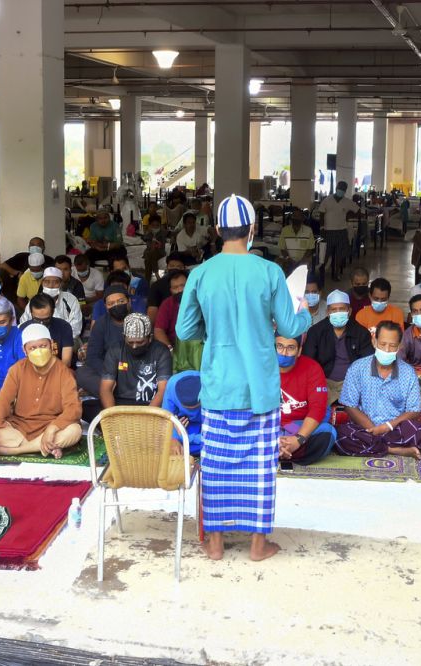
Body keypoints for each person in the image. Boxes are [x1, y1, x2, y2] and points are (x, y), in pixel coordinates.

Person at [176, 193, 311, 562]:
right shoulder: (268, 272)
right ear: (252, 229)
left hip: (219, 384)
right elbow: (288, 325)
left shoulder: (200, 273)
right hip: (260, 388)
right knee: (260, 466)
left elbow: (185, 329)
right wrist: (306, 315)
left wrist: (217, 329)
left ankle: (216, 544)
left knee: (217, 463)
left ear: (217, 229)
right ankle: (256, 546)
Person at [0, 323, 82, 461]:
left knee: (74, 431)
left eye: (43, 346)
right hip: (19, 426)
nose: (39, 351)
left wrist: (52, 429)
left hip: (51, 426)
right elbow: (2, 402)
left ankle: (17, 450)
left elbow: (73, 409)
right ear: (24, 351)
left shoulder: (64, 372)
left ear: (51, 345)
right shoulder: (17, 369)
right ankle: (42, 447)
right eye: (33, 348)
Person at [336, 321, 421, 459]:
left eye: (392, 346)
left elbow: (414, 410)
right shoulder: (357, 368)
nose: (387, 350)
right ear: (374, 342)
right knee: (341, 434)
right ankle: (394, 450)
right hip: (365, 428)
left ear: (399, 346)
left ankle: (377, 447)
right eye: (382, 344)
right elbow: (349, 406)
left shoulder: (408, 372)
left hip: (395, 429)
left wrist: (388, 426)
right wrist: (372, 429)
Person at [302, 290, 373, 405]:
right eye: (333, 310)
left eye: (342, 309)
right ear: (327, 312)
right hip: (323, 383)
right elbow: (308, 363)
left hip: (351, 383)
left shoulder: (361, 333)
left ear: (349, 311)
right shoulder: (316, 332)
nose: (338, 313)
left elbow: (368, 364)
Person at [274, 334, 336, 465]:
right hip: (270, 427)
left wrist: (298, 439)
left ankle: (276, 452)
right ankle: (286, 451)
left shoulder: (312, 368)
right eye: (279, 346)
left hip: (301, 426)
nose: (284, 353)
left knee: (327, 432)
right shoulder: (260, 368)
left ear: (299, 351)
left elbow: (318, 409)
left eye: (290, 348)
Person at [100, 313, 172, 408]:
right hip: (121, 404)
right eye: (130, 342)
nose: (134, 346)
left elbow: (163, 390)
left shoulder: (161, 351)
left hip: (150, 405)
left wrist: (147, 415)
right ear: (123, 337)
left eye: (139, 342)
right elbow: (105, 389)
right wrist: (112, 415)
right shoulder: (115, 350)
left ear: (150, 338)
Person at [77, 285, 130, 395]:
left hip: (132, 368)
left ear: (129, 301)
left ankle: (110, 392)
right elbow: (92, 357)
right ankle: (115, 391)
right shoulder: (101, 324)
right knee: (82, 373)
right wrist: (110, 374)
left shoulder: (138, 320)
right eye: (111, 304)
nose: (116, 305)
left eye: (121, 301)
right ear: (106, 307)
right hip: (107, 369)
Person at [314, 181, 358, 280]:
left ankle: (336, 273)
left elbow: (358, 211)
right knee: (325, 253)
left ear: (345, 190)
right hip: (328, 231)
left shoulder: (347, 202)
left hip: (341, 231)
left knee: (340, 254)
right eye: (340, 188)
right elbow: (321, 214)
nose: (341, 190)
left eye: (343, 189)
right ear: (336, 188)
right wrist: (321, 228)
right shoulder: (327, 200)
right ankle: (321, 272)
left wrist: (349, 215)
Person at [20, 294, 74, 367]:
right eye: (37, 320)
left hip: (58, 370)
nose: (41, 323)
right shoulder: (24, 329)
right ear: (31, 313)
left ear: (53, 312)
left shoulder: (64, 326)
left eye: (46, 319)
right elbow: (22, 360)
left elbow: (66, 363)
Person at [161, 370, 204, 456]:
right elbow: (165, 422)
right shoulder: (171, 387)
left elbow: (213, 433)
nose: (193, 413)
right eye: (188, 409)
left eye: (195, 408)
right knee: (169, 447)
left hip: (204, 427)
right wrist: (174, 437)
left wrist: (185, 437)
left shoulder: (207, 386)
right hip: (181, 427)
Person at [37, 267, 82, 338]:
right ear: (42, 283)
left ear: (61, 283)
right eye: (47, 282)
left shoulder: (71, 299)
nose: (51, 286)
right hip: (40, 342)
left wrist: (62, 341)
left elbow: (76, 328)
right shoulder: (35, 301)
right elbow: (25, 323)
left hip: (67, 340)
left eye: (55, 282)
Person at [153, 269, 188, 349]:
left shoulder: (200, 300)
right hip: (175, 347)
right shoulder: (167, 304)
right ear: (171, 290)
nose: (180, 290)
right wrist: (170, 350)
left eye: (183, 286)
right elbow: (159, 330)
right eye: (175, 287)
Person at [146, 254, 187, 321]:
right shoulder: (157, 286)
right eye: (172, 266)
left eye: (179, 266)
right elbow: (152, 312)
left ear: (184, 268)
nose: (175, 268)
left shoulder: (191, 284)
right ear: (167, 267)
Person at [141, 213, 169, 281]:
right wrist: (151, 236)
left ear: (160, 226)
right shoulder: (148, 234)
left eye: (157, 225)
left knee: (150, 255)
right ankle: (154, 276)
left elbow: (161, 246)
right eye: (153, 225)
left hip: (160, 252)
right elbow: (147, 242)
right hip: (150, 252)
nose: (155, 227)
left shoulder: (162, 233)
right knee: (149, 257)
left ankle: (149, 278)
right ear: (150, 226)